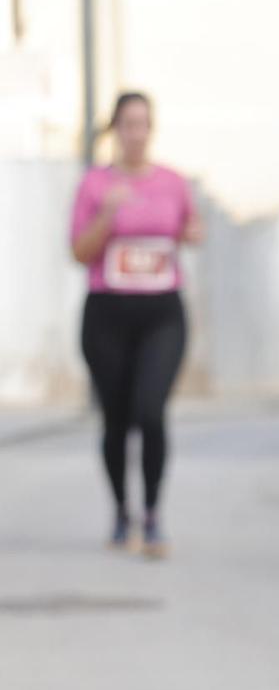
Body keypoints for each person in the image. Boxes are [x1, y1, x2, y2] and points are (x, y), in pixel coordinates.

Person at [68, 91, 203, 558]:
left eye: (143, 123)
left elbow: (194, 229)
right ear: (115, 130)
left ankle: (153, 514)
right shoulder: (94, 184)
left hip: (161, 312)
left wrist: (189, 233)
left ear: (152, 129)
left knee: (151, 411)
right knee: (117, 420)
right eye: (127, 124)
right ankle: (122, 512)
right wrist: (108, 213)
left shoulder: (172, 182)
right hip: (108, 312)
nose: (135, 133)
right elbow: (79, 252)